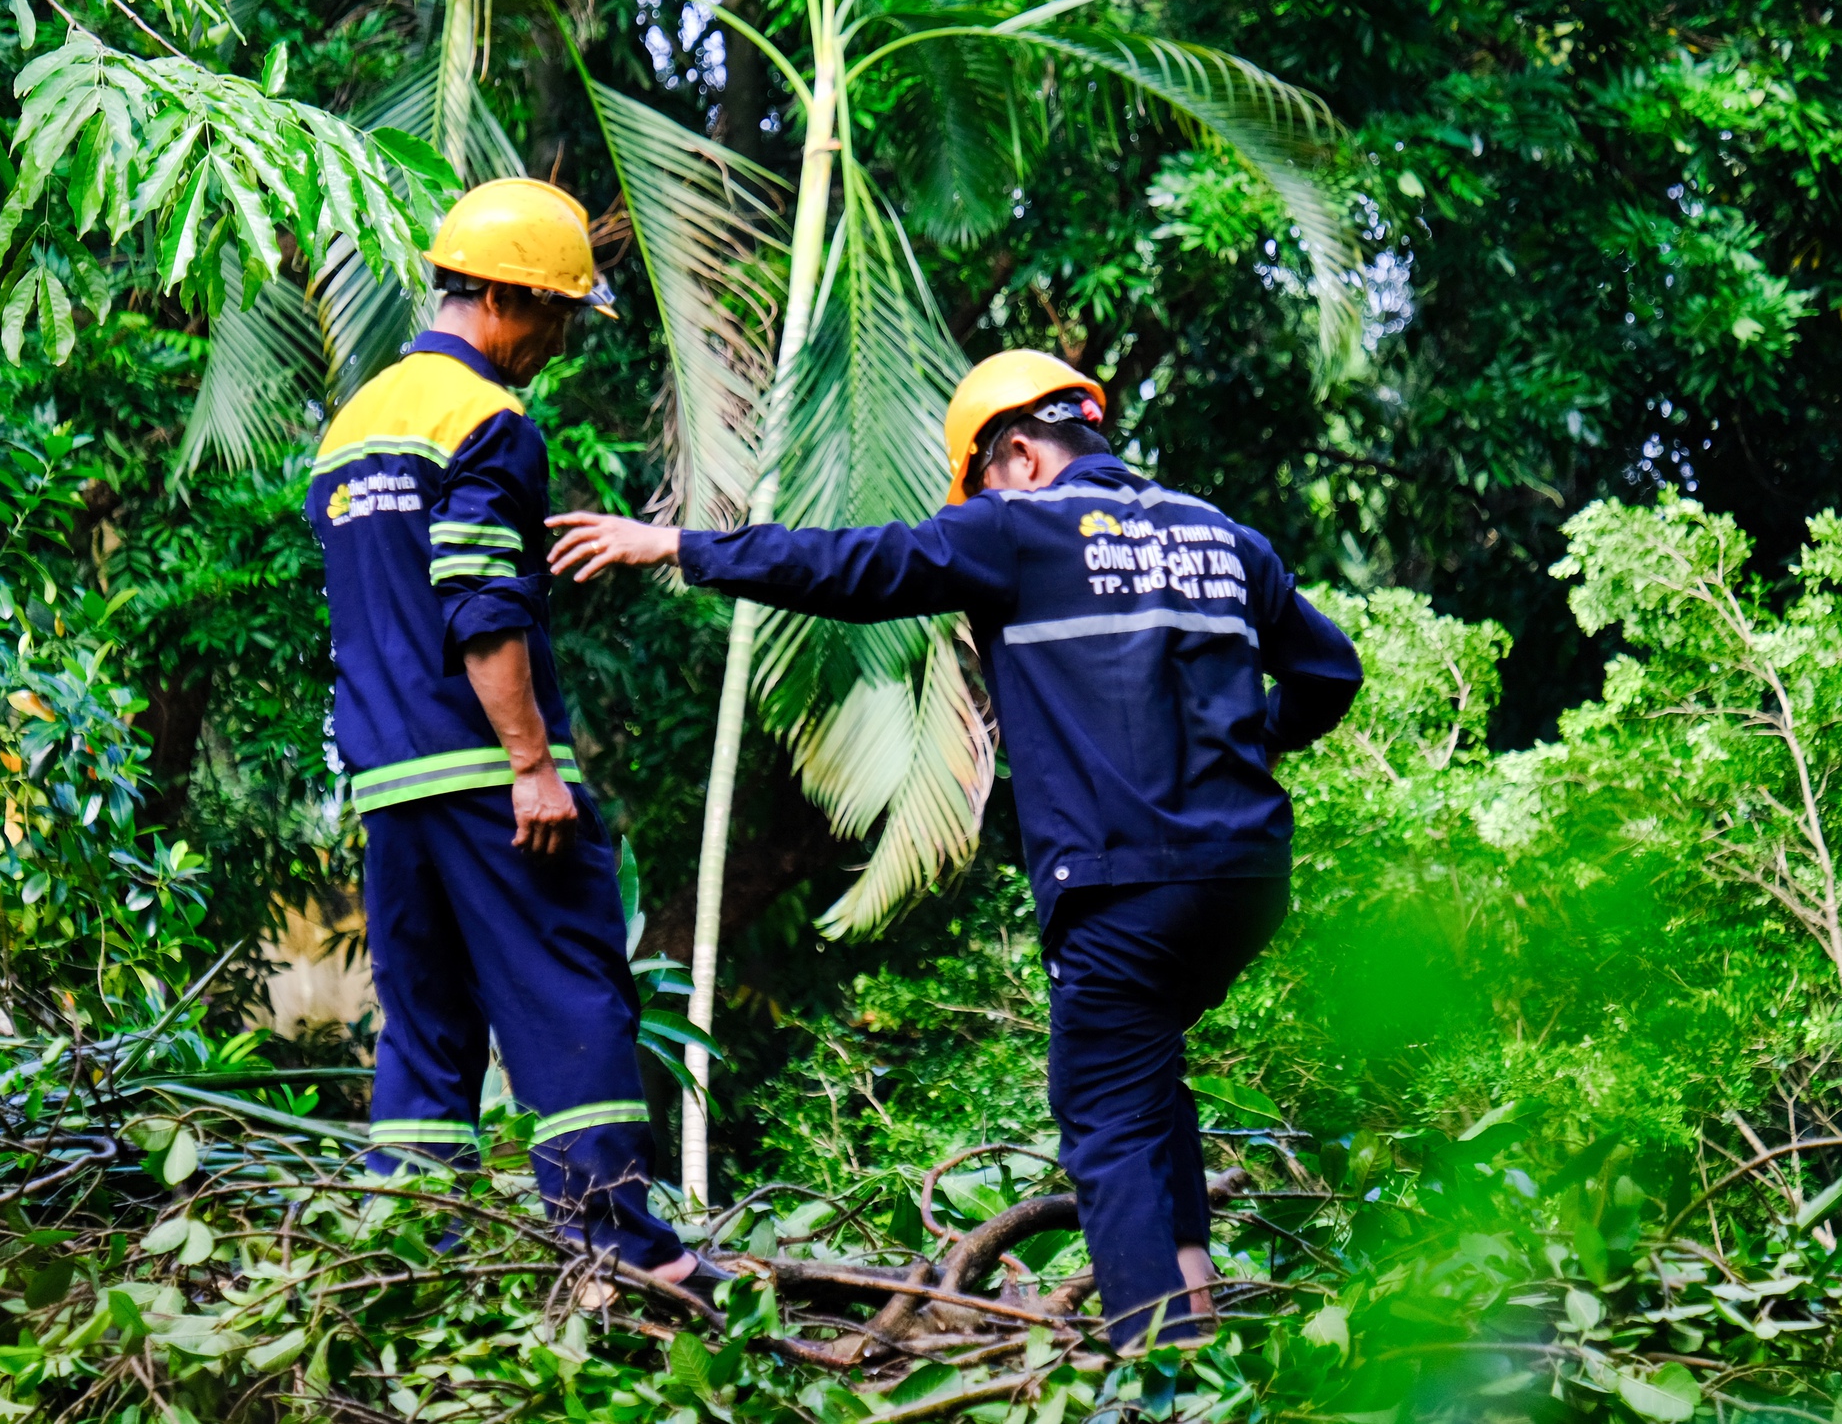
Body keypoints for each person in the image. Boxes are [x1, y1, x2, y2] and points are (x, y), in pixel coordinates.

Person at [545, 349, 1364, 1347]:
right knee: (1143, 1081)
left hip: (1125, 879)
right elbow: (1329, 673)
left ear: (1016, 454)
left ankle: (1165, 1368)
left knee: (1104, 1116)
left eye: (973, 486)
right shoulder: (1221, 537)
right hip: (1240, 877)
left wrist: (678, 544)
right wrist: (1237, 749)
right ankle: (1194, 1314)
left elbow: (853, 567)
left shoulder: (1019, 529)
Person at [309, 176, 716, 1291]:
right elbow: (479, 598)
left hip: (390, 781)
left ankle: (409, 1269)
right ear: (500, 299)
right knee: (569, 994)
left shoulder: (353, 426)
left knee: (426, 1030)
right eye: (553, 314)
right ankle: (618, 1256)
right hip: (489, 774)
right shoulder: (487, 420)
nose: (554, 341)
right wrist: (532, 768)